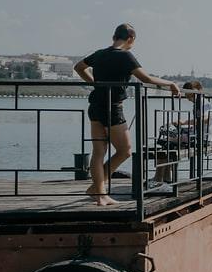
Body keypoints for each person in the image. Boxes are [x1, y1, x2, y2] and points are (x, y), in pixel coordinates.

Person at [74, 23, 181, 205]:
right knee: (125, 151)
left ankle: (99, 192)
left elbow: (78, 67)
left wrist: (96, 84)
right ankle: (98, 189)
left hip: (95, 106)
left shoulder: (99, 54)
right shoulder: (125, 56)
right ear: (130, 38)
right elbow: (146, 78)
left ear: (114, 37)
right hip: (113, 108)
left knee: (98, 152)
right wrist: (170, 83)